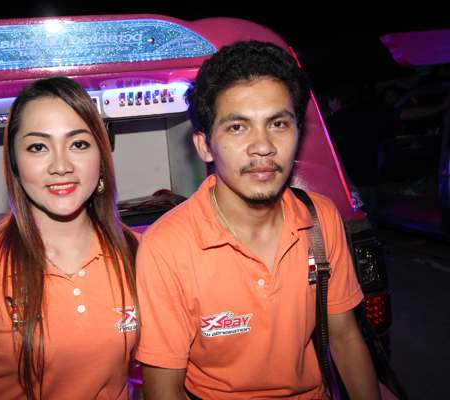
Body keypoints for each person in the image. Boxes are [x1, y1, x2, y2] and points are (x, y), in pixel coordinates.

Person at [135, 41, 380, 399]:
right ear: (204, 146)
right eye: (238, 127)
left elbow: (344, 337)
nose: (263, 146)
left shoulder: (321, 218)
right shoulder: (167, 246)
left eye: (278, 123)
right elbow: (163, 387)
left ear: (298, 132)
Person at [0, 77, 138, 400]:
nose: (61, 166)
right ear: (14, 164)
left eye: (78, 144)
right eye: (38, 147)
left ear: (101, 158)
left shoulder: (139, 254)